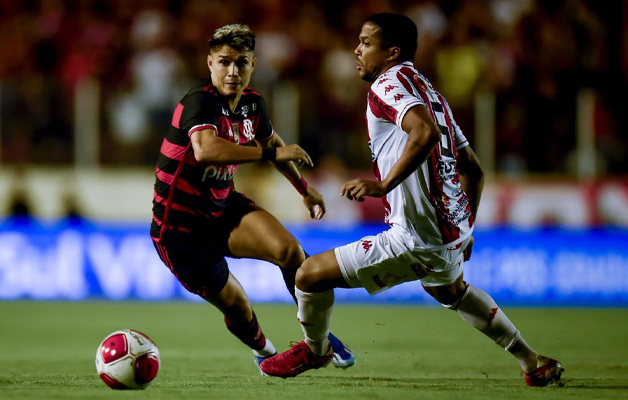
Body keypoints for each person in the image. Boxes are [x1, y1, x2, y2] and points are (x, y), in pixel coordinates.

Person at [260, 13, 564, 387]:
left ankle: (316, 348)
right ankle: (532, 362)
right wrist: (464, 228)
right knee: (449, 290)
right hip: (445, 232)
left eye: (366, 43)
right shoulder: (431, 92)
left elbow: (424, 132)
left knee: (307, 277)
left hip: (414, 236)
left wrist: (383, 185)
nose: (357, 50)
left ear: (392, 53)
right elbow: (474, 169)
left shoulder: (387, 85)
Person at [150, 24, 355, 373]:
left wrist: (304, 190)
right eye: (225, 62)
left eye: (241, 63)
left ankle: (317, 341)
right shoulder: (199, 102)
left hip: (224, 208)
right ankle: (264, 350)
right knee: (237, 306)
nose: (233, 71)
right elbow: (205, 149)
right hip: (181, 231)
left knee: (290, 252)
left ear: (253, 64)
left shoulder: (252, 104)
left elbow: (274, 144)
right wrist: (270, 155)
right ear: (210, 63)